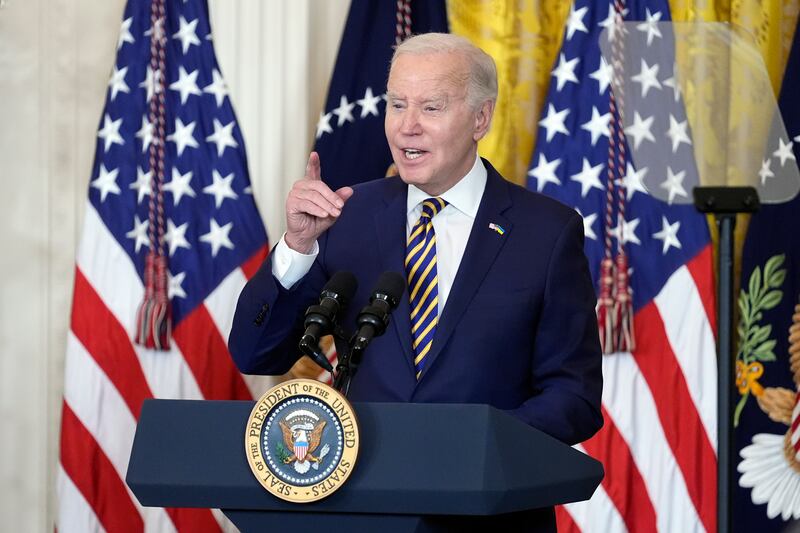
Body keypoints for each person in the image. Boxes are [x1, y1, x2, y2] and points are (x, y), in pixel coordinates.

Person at [230, 32, 602, 447]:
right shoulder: (345, 216)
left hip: (482, 482)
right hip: (367, 483)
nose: (408, 127)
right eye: (397, 105)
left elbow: (575, 398)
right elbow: (255, 354)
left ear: (481, 118)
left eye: (431, 108)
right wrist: (298, 246)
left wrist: (476, 442)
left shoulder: (546, 232)